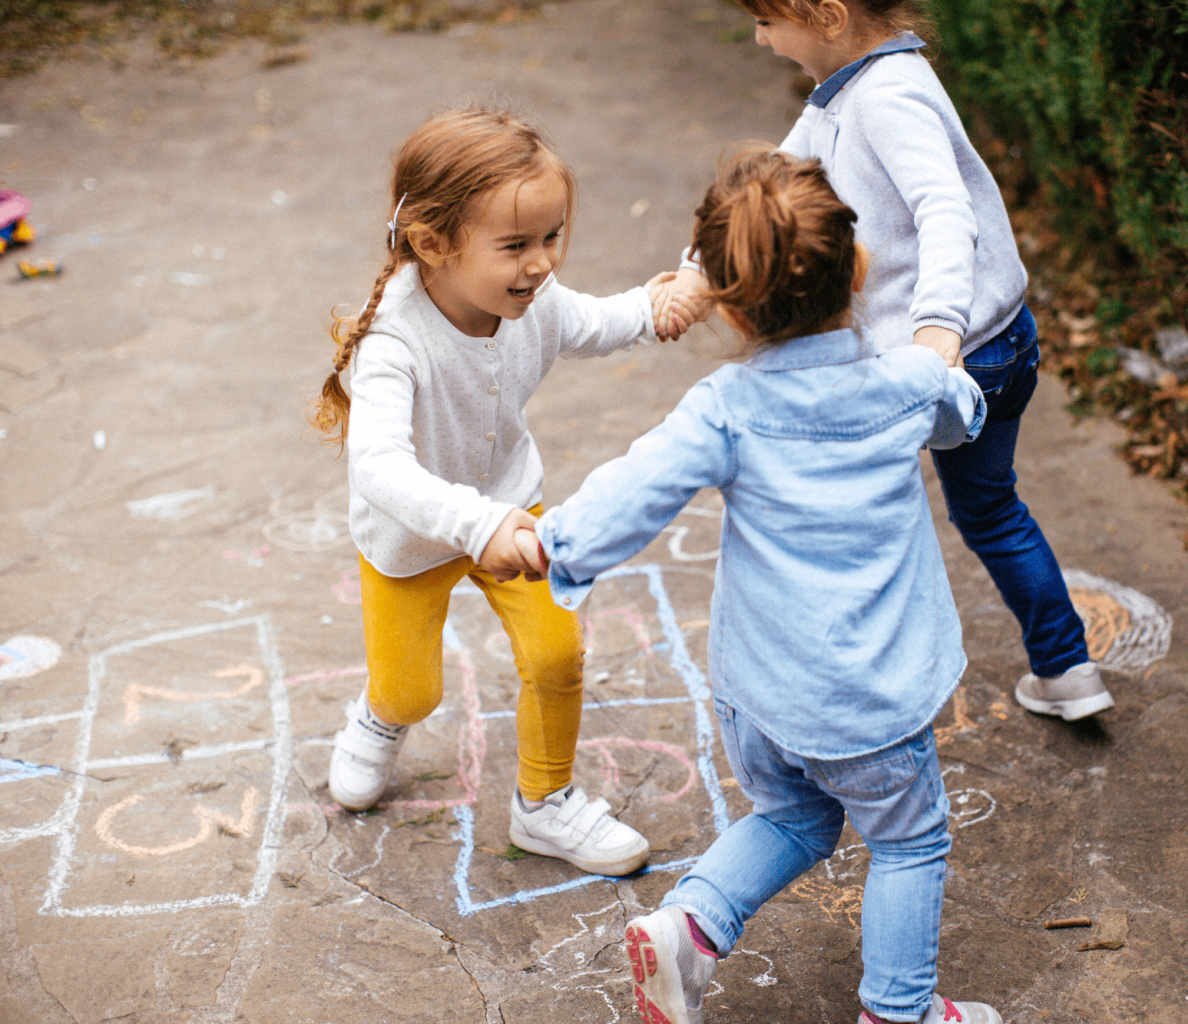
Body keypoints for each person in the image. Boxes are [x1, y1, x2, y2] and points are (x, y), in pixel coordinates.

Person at [533, 150, 1000, 1024]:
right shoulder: (904, 387)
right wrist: (943, 362)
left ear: (727, 304)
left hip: (761, 694)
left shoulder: (727, 407)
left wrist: (557, 543)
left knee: (792, 816)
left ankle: (690, 928)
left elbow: (635, 489)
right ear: (859, 267)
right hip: (873, 701)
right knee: (907, 839)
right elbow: (961, 411)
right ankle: (898, 1013)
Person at [653, 0, 1112, 721]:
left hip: (949, 358)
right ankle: (1068, 670)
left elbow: (945, 210)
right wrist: (693, 271)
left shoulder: (889, 97)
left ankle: (865, 689)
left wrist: (937, 329)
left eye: (768, 21)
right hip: (997, 340)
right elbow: (768, 187)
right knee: (991, 511)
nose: (758, 37)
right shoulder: (848, 90)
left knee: (863, 516)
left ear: (828, 16)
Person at [308, 105, 680, 876]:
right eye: (515, 245)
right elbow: (378, 466)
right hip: (412, 539)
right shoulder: (393, 344)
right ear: (432, 243)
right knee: (413, 692)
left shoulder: (534, 301)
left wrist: (658, 306)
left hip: (514, 507)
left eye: (550, 237)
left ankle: (545, 805)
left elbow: (601, 321)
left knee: (556, 655)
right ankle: (380, 719)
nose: (541, 264)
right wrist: (478, 527)